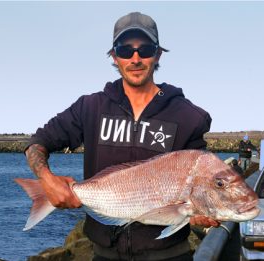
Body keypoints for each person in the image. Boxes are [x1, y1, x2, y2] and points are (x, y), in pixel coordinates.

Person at [25, 12, 219, 261]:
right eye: (125, 50)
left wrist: (200, 214)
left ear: (158, 54)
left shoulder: (189, 117)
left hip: (170, 255)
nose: (135, 58)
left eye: (145, 49)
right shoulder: (90, 107)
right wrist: (46, 179)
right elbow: (37, 142)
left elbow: (197, 189)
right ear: (114, 57)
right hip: (105, 254)